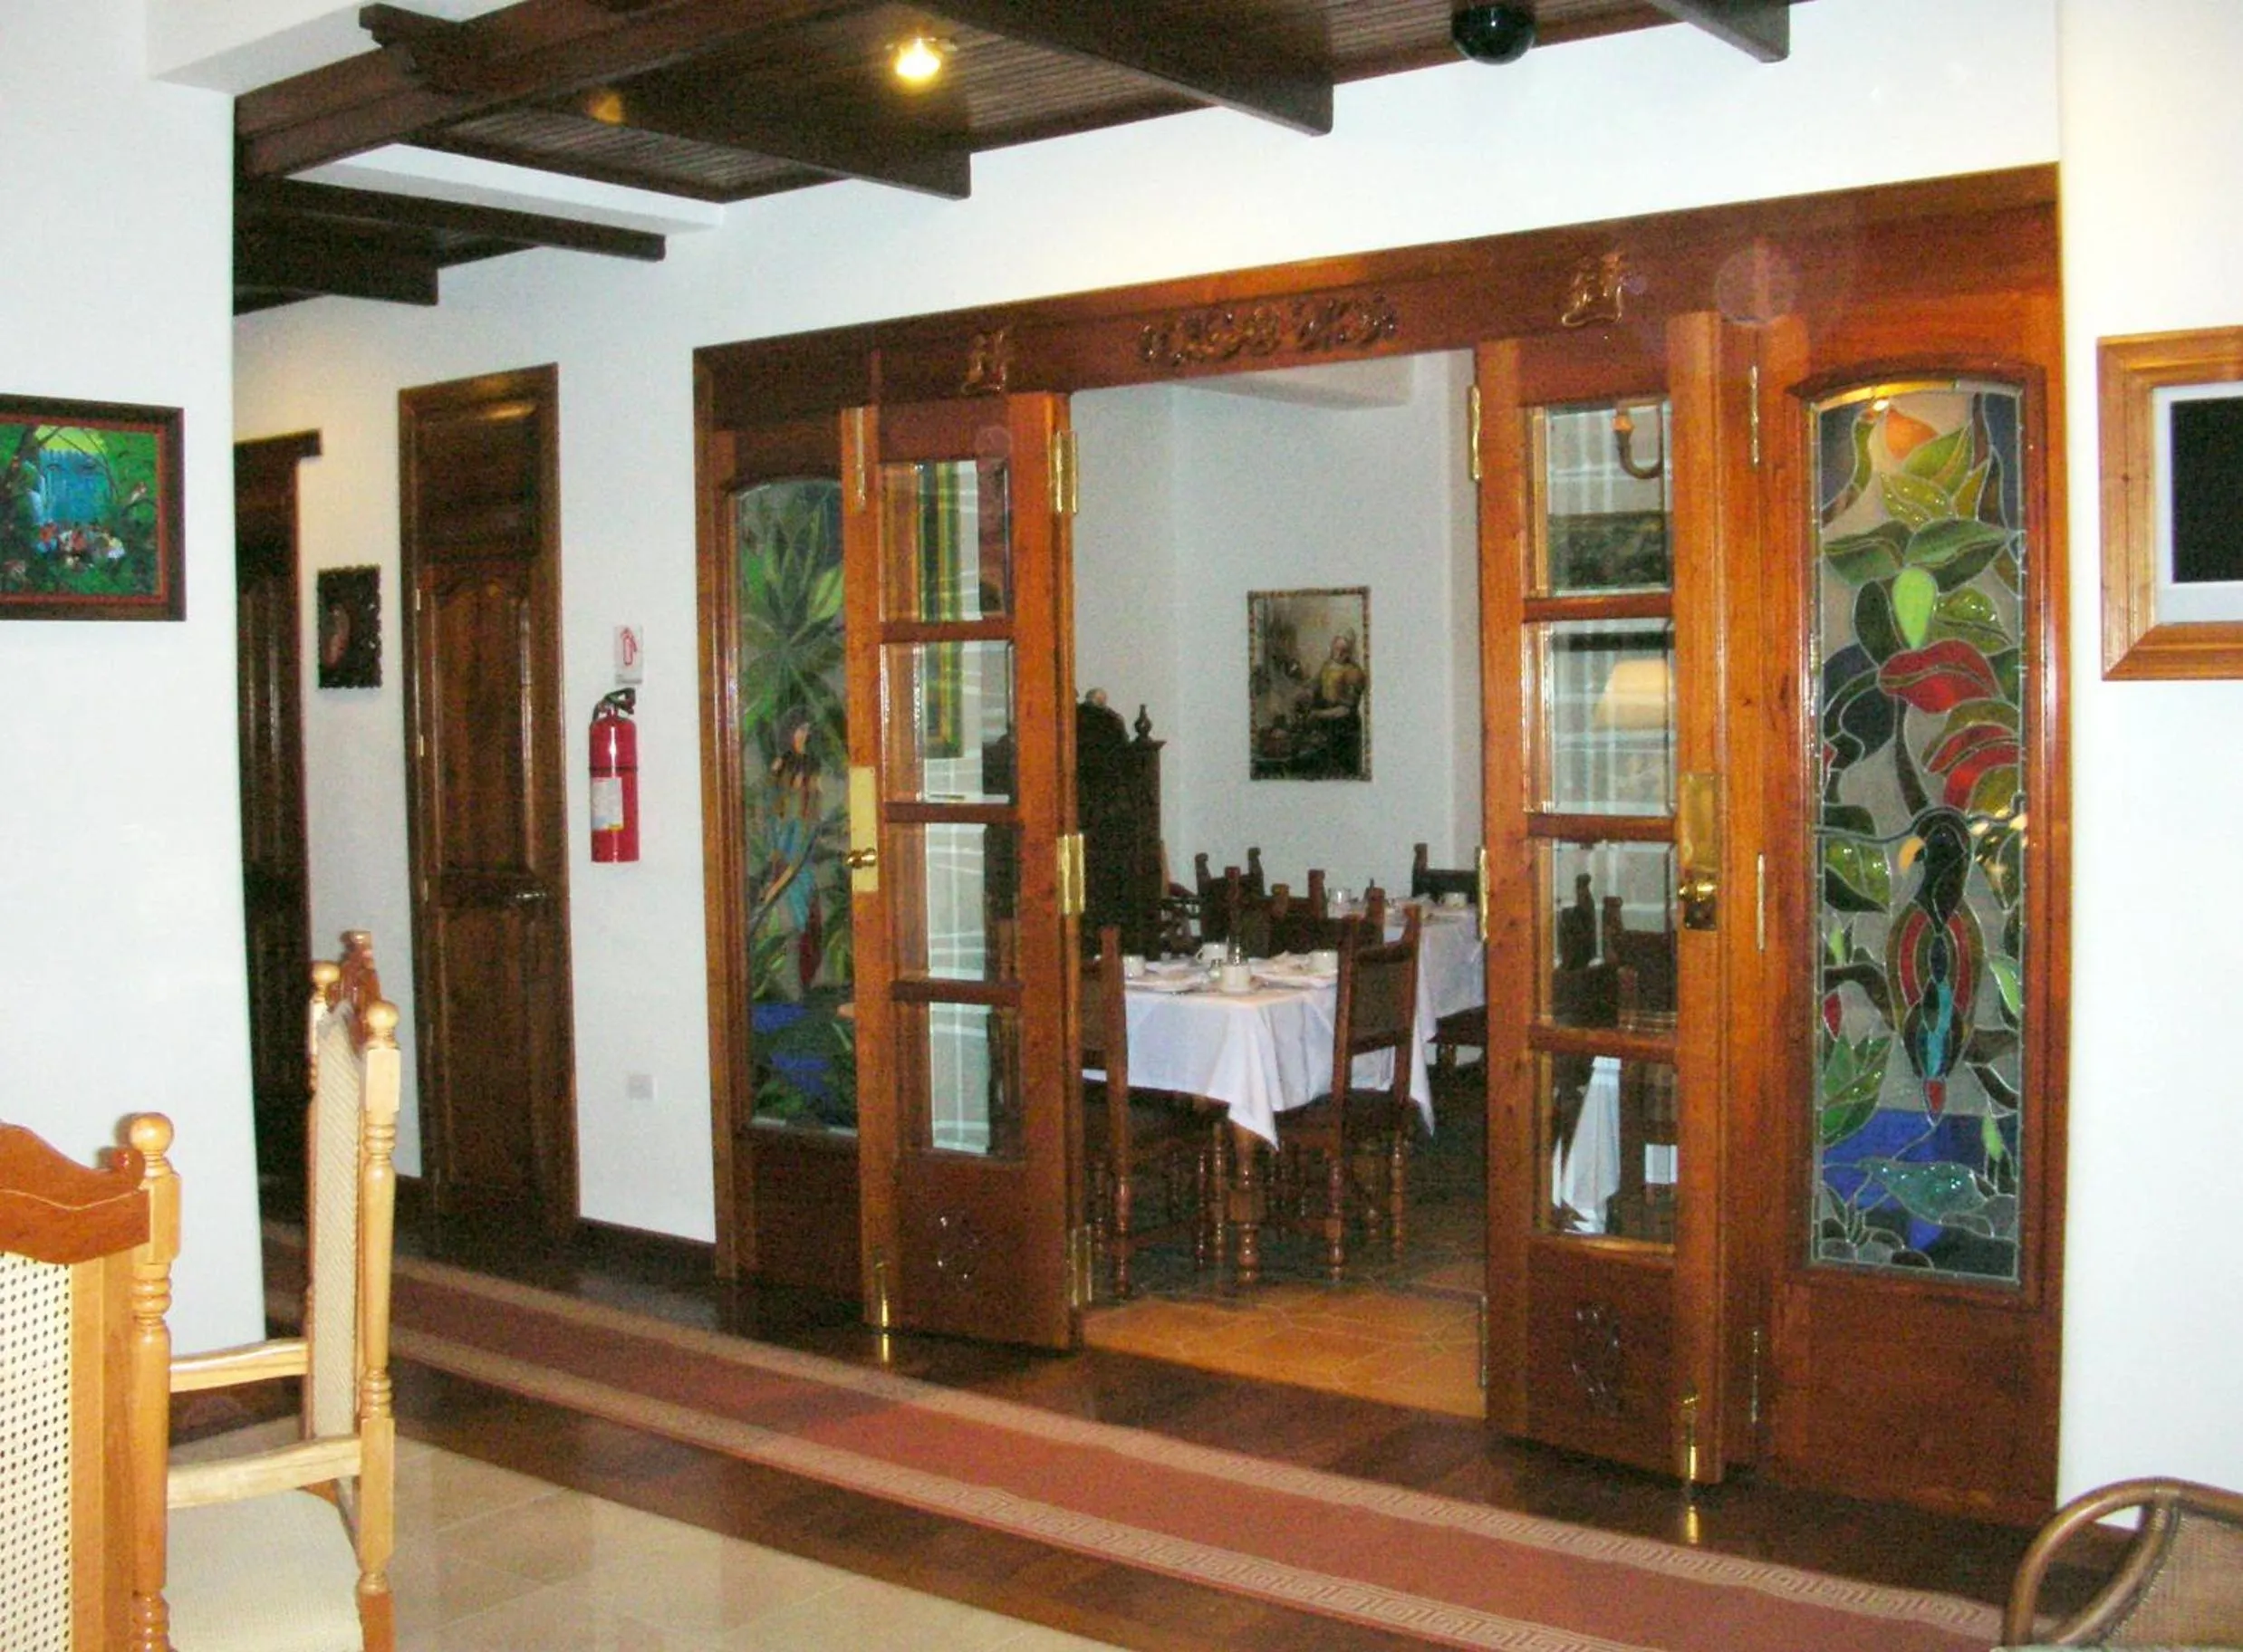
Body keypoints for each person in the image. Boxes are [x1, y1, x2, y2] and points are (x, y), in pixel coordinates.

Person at [1303, 628, 1367, 777]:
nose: (1338, 653)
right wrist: (1308, 692)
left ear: (1350, 652)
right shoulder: (1327, 665)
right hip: (1327, 725)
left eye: (1344, 650)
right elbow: (1316, 684)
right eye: (1336, 649)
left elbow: (1345, 709)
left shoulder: (1354, 672)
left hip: (1344, 727)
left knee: (1341, 771)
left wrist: (1317, 714)